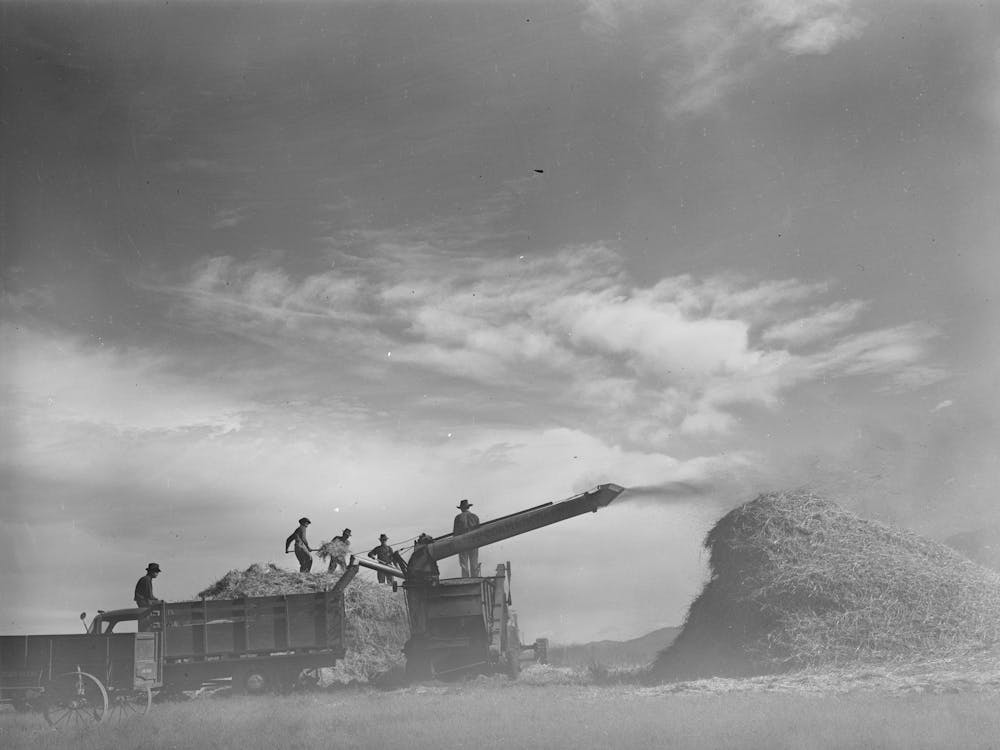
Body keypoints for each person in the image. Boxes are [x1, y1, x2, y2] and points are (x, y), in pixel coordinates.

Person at [453, 499, 480, 577]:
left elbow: (455, 533)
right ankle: (475, 580)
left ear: (461, 508)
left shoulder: (458, 518)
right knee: (474, 563)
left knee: (464, 564)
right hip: (474, 543)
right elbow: (479, 532)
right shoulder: (475, 517)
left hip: (462, 543)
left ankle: (466, 580)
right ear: (468, 507)